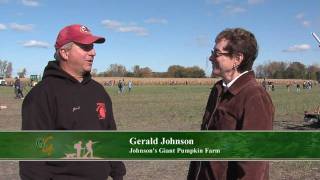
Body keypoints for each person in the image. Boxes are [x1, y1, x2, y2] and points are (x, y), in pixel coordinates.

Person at [19, 24, 126, 180]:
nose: (93, 52)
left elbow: (110, 136)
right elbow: (32, 159)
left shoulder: (99, 91)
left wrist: (118, 173)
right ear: (64, 53)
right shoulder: (42, 94)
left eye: (93, 47)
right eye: (85, 47)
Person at [188, 28, 274, 180]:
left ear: (237, 59)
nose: (210, 58)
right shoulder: (218, 90)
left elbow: (253, 167)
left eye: (217, 53)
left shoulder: (254, 96)